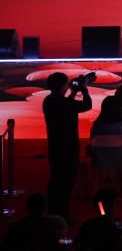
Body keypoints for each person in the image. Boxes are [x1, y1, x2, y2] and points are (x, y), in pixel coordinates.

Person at [43, 71, 92, 220]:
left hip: (54, 146)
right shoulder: (64, 103)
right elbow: (87, 105)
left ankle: (52, 211)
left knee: (56, 180)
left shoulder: (48, 101)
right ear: (63, 85)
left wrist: (74, 92)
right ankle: (62, 215)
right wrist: (84, 90)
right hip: (69, 148)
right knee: (66, 183)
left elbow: (66, 106)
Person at [0, 192, 67, 251]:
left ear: (27, 208)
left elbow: (5, 246)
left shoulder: (15, 226)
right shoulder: (55, 227)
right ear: (45, 208)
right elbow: (62, 246)